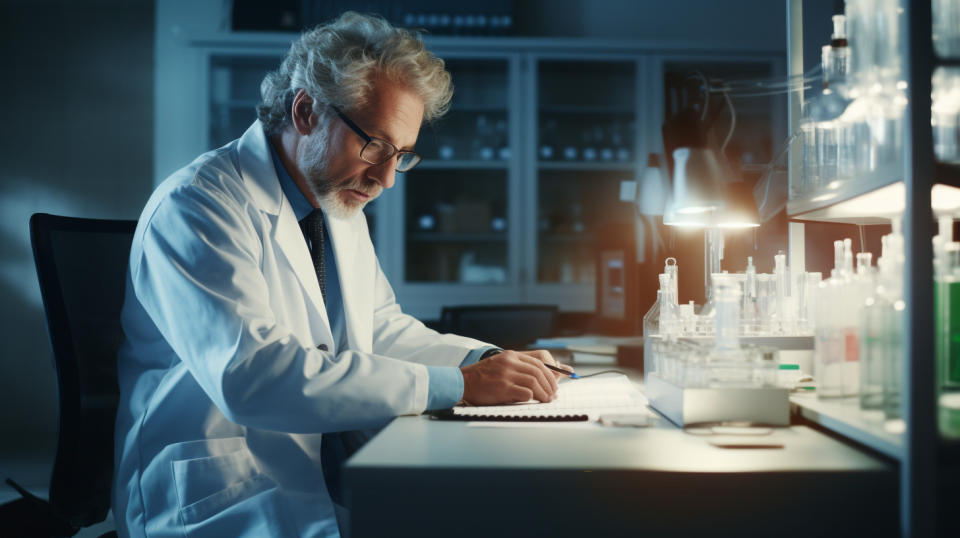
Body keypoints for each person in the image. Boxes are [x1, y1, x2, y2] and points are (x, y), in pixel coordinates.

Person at [112, 11, 570, 538]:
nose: (385, 179)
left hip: (320, 474)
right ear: (305, 110)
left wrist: (485, 360)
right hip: (220, 492)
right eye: (374, 145)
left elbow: (379, 330)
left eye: (400, 155)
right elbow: (254, 377)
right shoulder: (197, 206)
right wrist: (461, 386)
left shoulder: (334, 200)